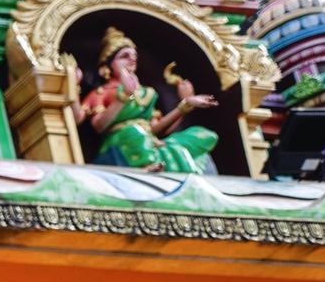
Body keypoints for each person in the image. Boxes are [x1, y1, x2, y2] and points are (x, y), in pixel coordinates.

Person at [73, 26, 219, 175]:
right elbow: (94, 124)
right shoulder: (102, 92)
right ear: (106, 66)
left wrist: (185, 105)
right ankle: (145, 167)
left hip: (149, 141)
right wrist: (74, 86)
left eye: (134, 55)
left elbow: (155, 129)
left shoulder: (146, 93)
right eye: (124, 55)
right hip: (123, 140)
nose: (132, 58)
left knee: (201, 135)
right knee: (134, 132)